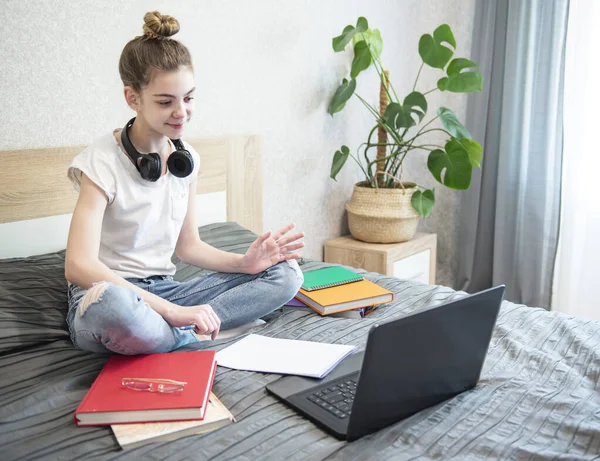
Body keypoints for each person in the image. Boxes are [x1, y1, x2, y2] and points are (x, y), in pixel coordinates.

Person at [64, 11, 304, 355]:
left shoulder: (185, 158)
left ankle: (174, 335)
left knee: (287, 274)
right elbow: (79, 265)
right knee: (116, 307)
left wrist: (245, 264)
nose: (181, 112)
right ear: (133, 98)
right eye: (166, 102)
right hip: (107, 293)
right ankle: (197, 333)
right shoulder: (100, 161)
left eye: (188, 98)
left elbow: (188, 247)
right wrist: (172, 312)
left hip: (166, 291)